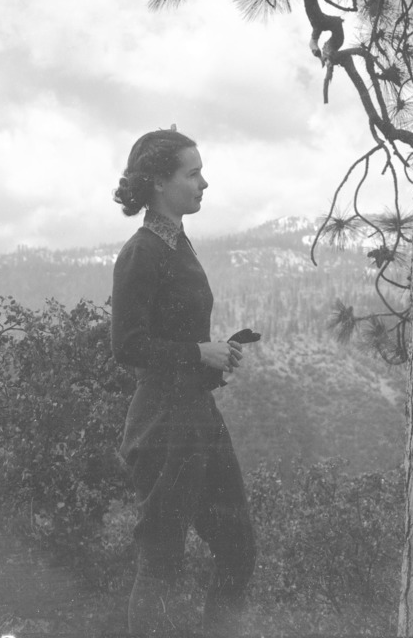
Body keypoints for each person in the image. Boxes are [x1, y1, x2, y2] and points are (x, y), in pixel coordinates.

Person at [111, 128, 256, 637]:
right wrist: (199, 352)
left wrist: (213, 359)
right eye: (192, 174)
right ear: (158, 182)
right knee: (162, 562)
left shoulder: (176, 243)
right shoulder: (142, 251)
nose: (204, 183)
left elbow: (171, 336)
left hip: (196, 417)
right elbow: (127, 346)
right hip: (162, 425)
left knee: (238, 548)